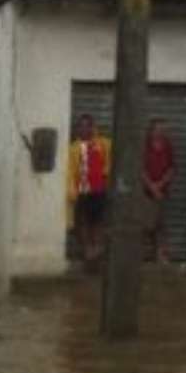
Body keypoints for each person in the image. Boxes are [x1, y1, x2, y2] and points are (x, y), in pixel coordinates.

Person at [67, 114, 112, 268]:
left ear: (93, 127)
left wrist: (107, 180)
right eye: (81, 126)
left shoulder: (104, 143)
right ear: (77, 128)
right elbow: (70, 171)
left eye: (88, 125)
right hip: (82, 191)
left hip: (100, 190)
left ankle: (96, 252)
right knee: (82, 223)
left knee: (98, 223)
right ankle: (88, 252)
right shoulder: (73, 148)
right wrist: (72, 190)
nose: (84, 129)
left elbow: (110, 163)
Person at [142, 119, 176, 263]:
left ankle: (160, 255)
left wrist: (160, 185)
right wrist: (151, 186)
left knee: (160, 224)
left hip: (162, 191)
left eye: (163, 129)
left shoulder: (168, 147)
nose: (160, 132)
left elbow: (172, 168)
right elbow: (139, 168)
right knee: (145, 224)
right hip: (145, 191)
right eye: (157, 129)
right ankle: (145, 253)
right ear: (151, 130)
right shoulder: (144, 146)